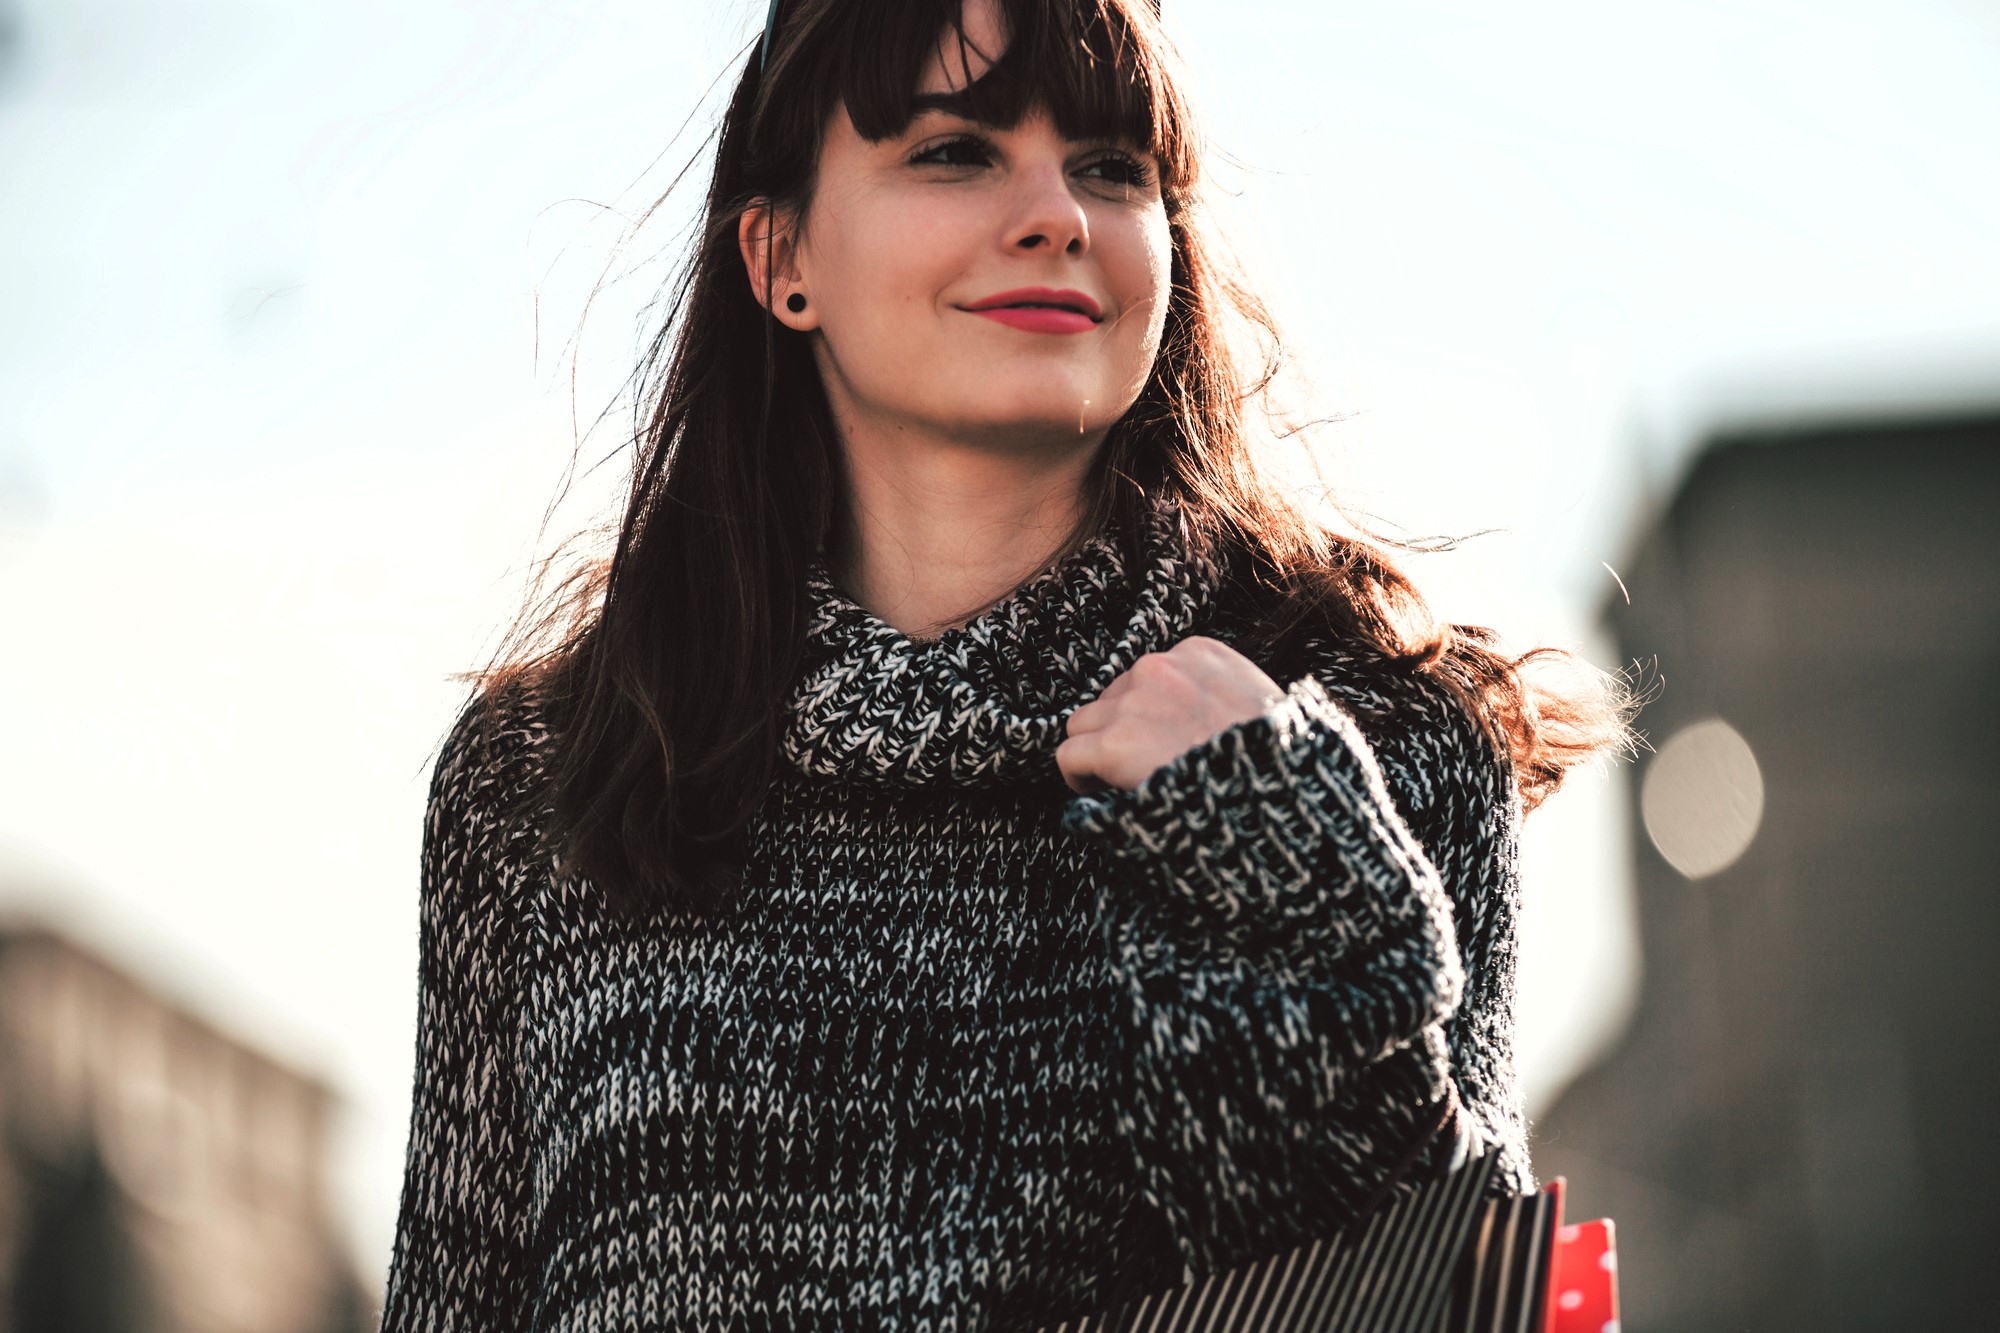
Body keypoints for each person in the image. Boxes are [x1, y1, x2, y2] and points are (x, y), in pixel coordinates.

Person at [377, 0, 1634, 1328]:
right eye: (955, 150)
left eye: (1110, 167)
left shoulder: (1379, 741)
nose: (1056, 215)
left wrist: (1272, 858)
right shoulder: (545, 779)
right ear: (780, 253)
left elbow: (1444, 1295)